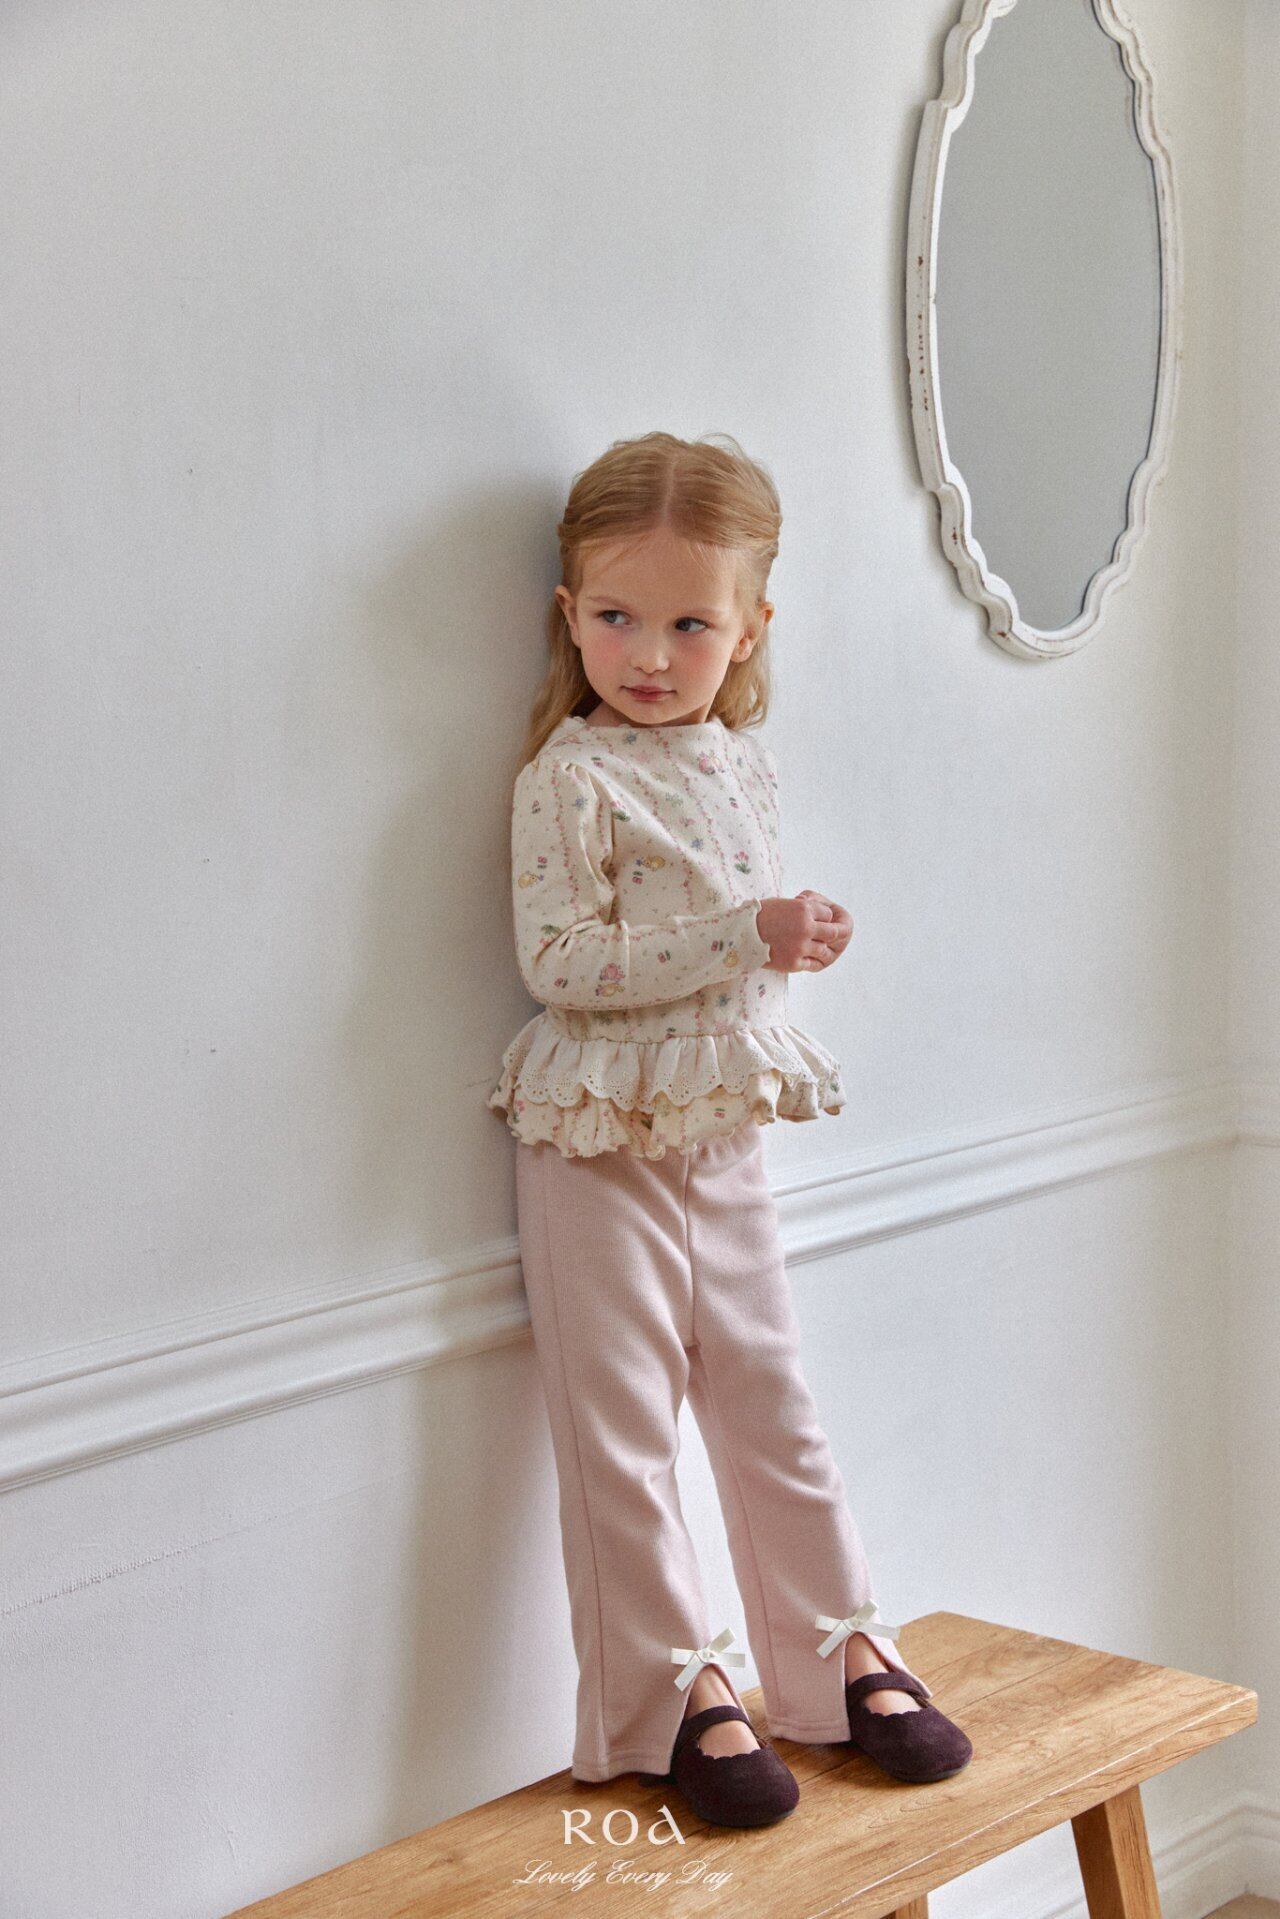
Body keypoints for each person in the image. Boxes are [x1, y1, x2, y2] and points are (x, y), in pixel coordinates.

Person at [487, 431, 971, 1826]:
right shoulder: (569, 778)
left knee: (772, 1398)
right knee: (623, 1427)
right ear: (569, 614)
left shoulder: (737, 763)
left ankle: (836, 1652)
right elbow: (560, 962)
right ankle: (671, 1695)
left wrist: (790, 941)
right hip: (595, 1136)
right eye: (616, 617)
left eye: (690, 625)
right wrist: (745, 933)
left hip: (717, 1127)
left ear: (750, 627)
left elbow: (731, 945)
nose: (648, 655)